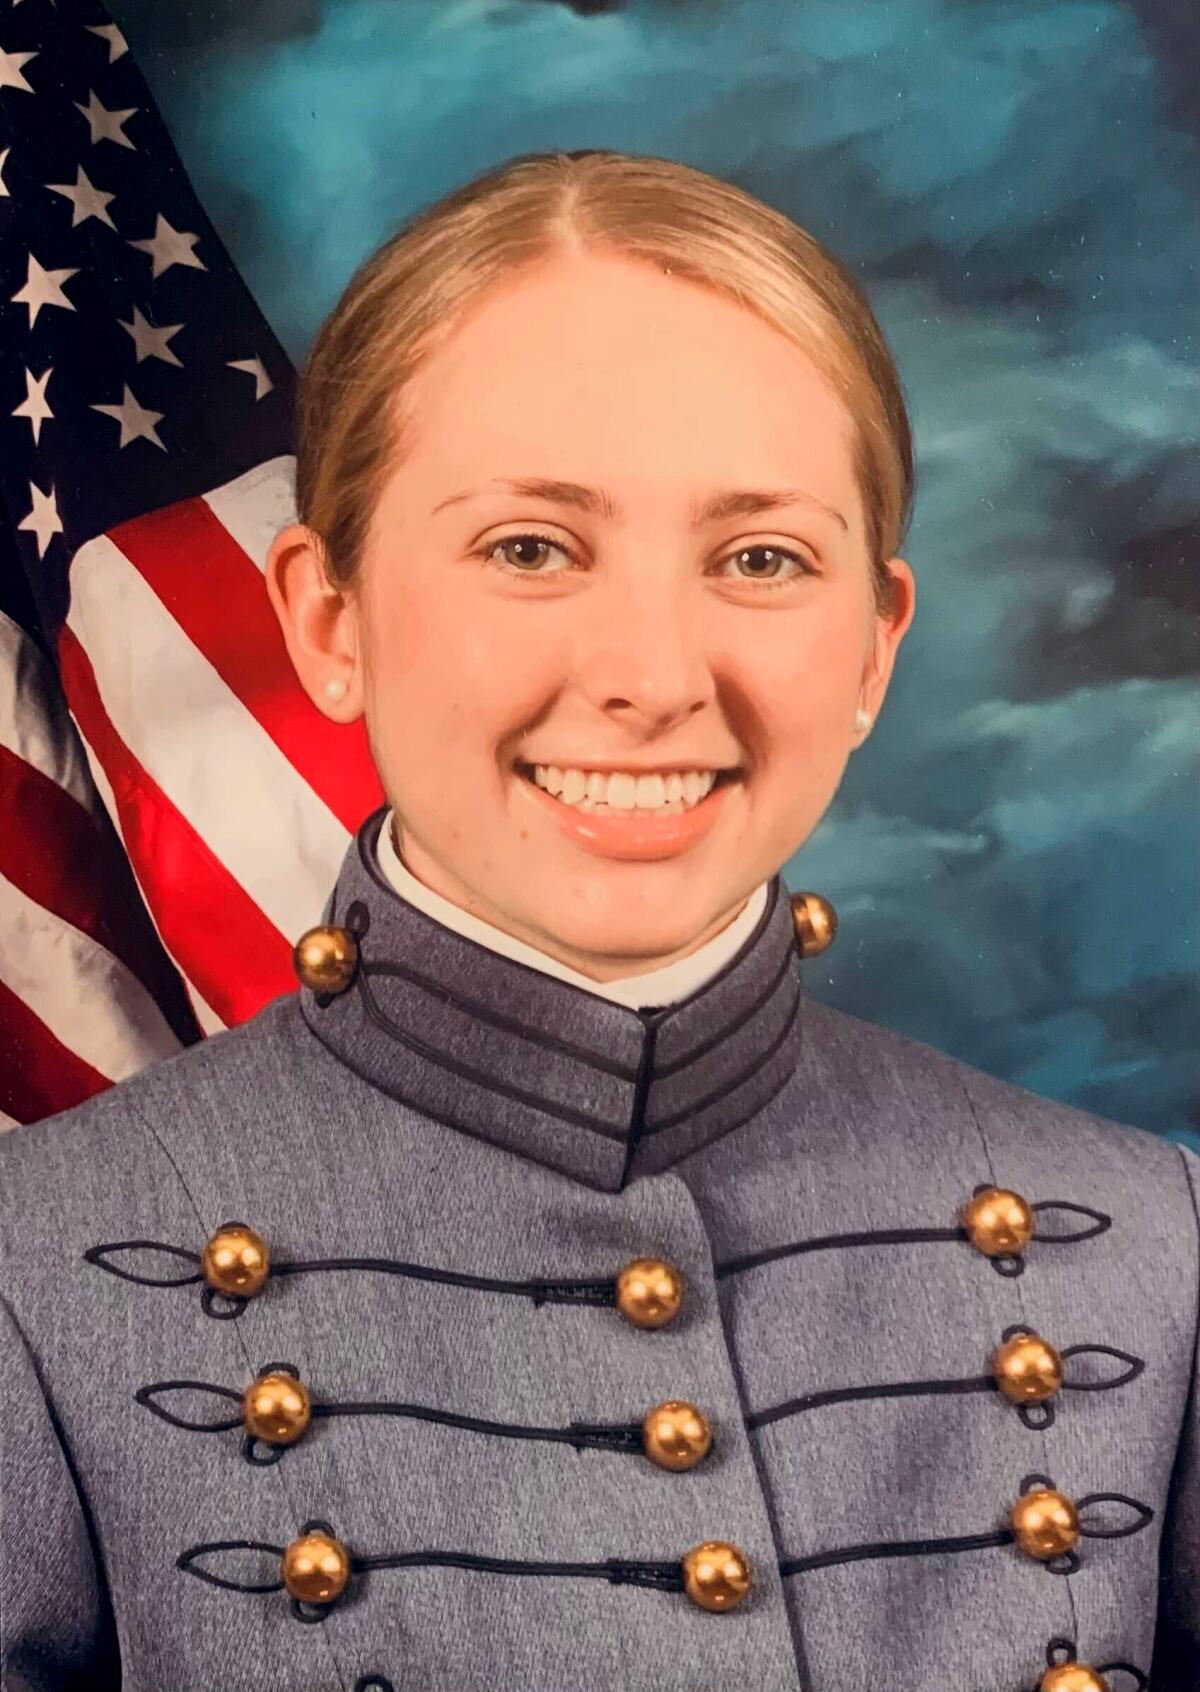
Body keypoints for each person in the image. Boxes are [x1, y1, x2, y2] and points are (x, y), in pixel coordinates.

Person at [0, 148, 1194, 1692]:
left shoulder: (1146, 1247)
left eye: (760, 558)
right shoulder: (34, 1277)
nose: (652, 676)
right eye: (530, 548)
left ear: (875, 648)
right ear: (327, 621)